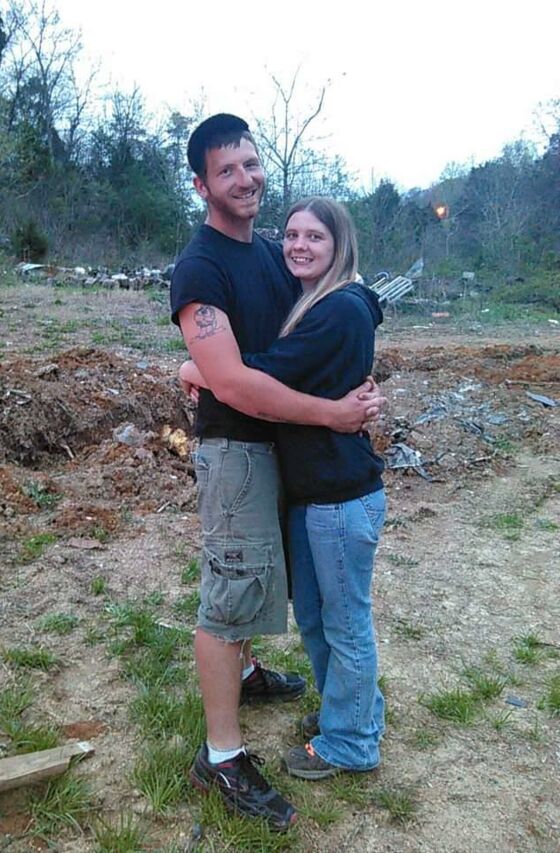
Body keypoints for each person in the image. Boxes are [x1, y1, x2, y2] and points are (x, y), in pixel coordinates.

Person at [170, 114, 385, 831]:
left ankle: (248, 672)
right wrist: (333, 414)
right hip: (237, 451)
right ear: (201, 184)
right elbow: (232, 382)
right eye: (226, 170)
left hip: (282, 452)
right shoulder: (199, 268)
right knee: (229, 594)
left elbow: (325, 319)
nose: (245, 179)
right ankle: (222, 756)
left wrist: (357, 381)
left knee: (259, 575)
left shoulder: (270, 251)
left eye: (251, 163)